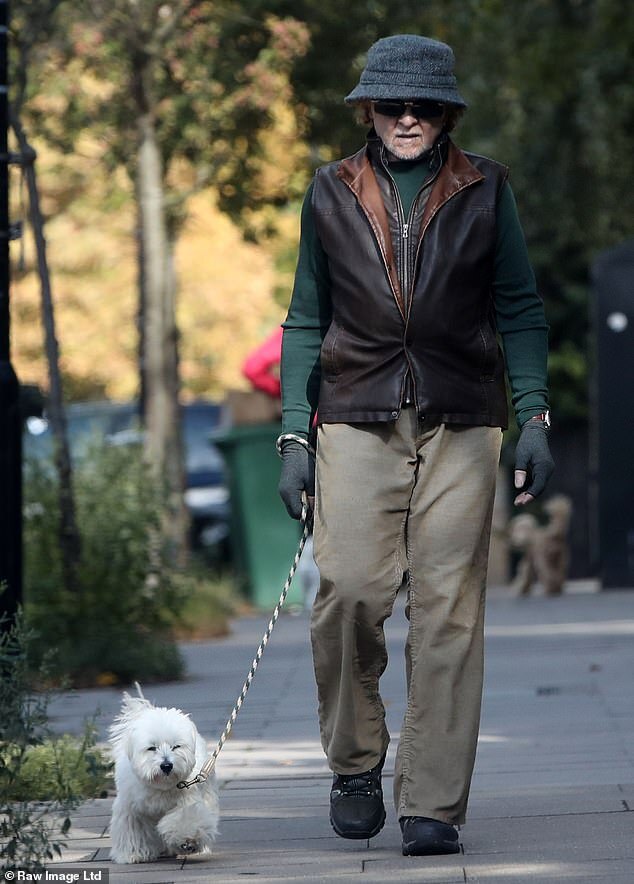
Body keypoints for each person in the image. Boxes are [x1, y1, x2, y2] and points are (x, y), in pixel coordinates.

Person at [277, 34, 554, 857]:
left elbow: (521, 307)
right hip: (356, 414)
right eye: (392, 104)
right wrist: (295, 428)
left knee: (448, 611)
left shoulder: (486, 187)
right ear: (368, 108)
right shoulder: (329, 191)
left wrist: (534, 416)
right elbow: (304, 317)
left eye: (423, 106)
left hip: (462, 417)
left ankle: (432, 801)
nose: (406, 118)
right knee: (352, 590)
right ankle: (356, 761)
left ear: (446, 114)